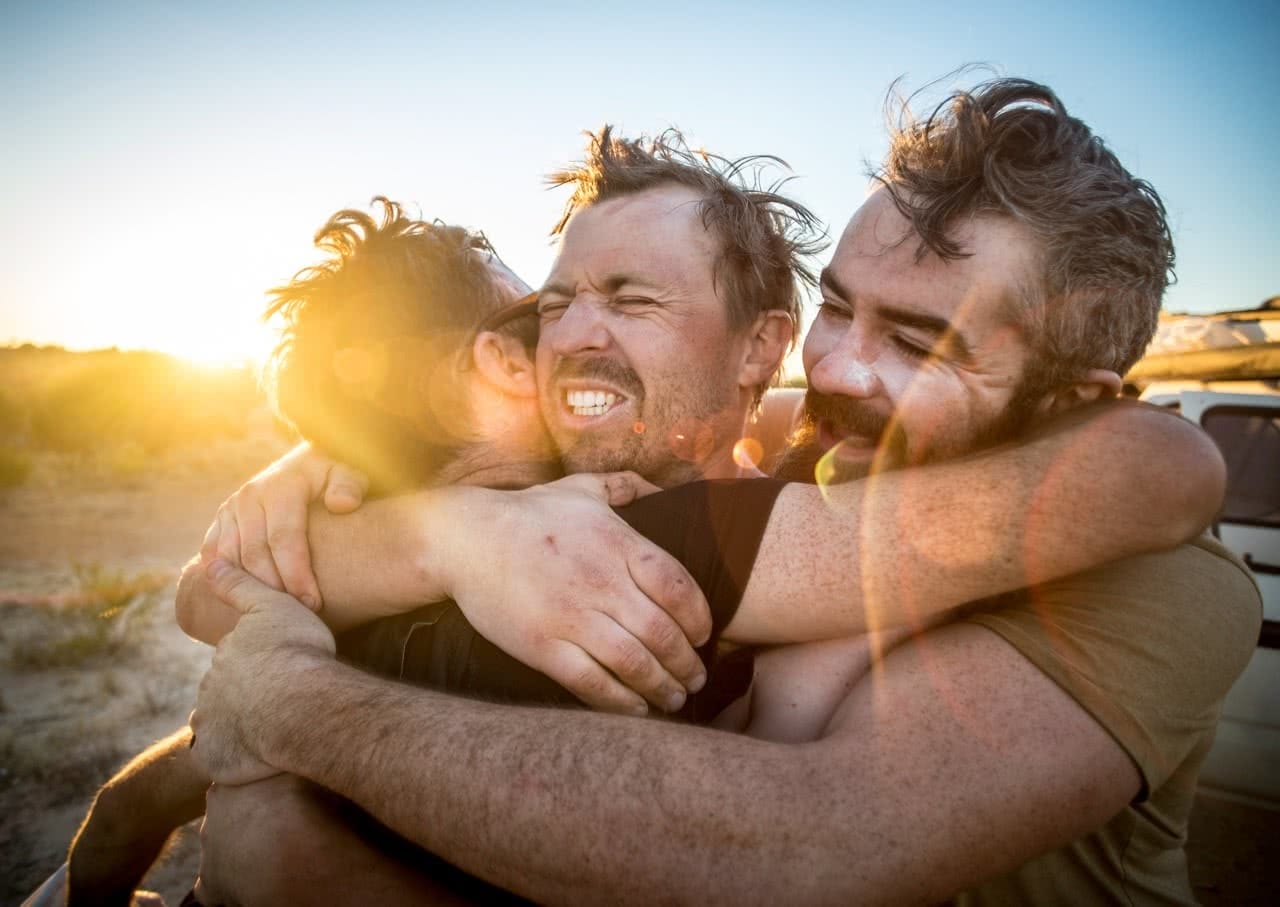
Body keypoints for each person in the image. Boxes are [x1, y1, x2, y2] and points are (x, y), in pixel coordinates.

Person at [181, 79, 1259, 905]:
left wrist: (297, 720)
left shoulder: (1164, 587)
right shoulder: (793, 454)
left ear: (1073, 398)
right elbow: (212, 589)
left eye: (920, 344)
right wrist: (446, 527)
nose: (836, 369)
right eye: (840, 309)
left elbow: (803, 848)